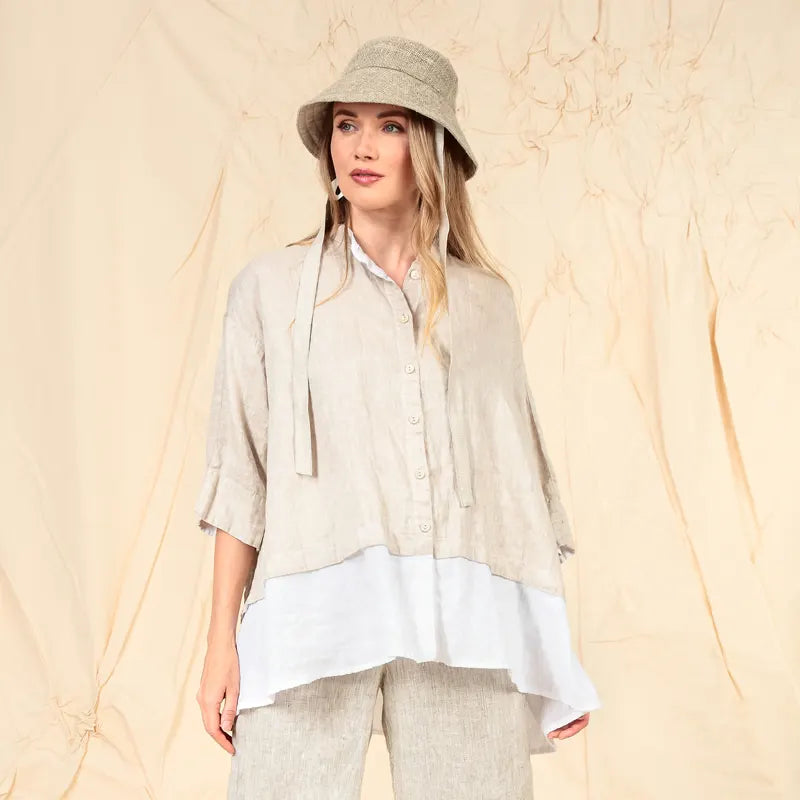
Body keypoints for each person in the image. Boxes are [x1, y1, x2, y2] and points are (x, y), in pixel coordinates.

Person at [194, 35, 601, 800]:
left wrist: (548, 650)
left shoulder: (486, 304)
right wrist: (222, 641)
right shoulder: (269, 292)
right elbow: (241, 475)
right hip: (312, 608)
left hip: (461, 619)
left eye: (391, 125)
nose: (362, 146)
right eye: (346, 124)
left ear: (433, 148)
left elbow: (514, 490)